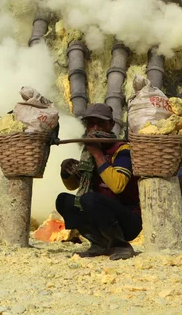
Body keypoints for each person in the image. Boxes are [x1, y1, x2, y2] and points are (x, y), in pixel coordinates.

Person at [56, 103, 141, 260]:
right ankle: (99, 243)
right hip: (99, 215)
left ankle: (121, 245)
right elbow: (73, 186)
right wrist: (66, 170)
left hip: (128, 219)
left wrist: (98, 155)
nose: (94, 128)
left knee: (90, 199)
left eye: (100, 123)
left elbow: (118, 186)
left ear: (111, 125)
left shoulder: (122, 150)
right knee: (64, 200)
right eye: (90, 123)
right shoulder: (88, 152)